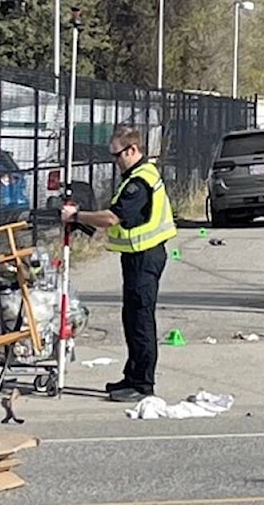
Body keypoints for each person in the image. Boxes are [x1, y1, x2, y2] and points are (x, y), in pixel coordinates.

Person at [61, 125, 177, 402]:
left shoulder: (140, 182)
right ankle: (132, 376)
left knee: (140, 321)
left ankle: (142, 384)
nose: (115, 161)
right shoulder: (134, 177)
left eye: (118, 155)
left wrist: (77, 216)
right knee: (131, 318)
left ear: (133, 150)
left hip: (145, 257)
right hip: (137, 256)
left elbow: (112, 218)